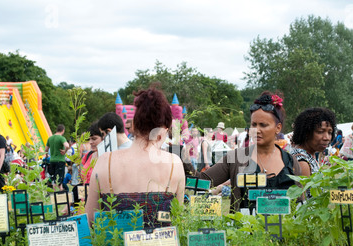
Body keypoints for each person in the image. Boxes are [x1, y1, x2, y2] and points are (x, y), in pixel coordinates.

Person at [183, 91, 302, 213]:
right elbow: (201, 181)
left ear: (278, 128)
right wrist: (184, 158)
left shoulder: (291, 163)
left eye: (263, 125)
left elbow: (299, 206)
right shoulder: (236, 158)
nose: (257, 130)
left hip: (283, 231)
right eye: (254, 124)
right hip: (244, 231)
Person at [85, 85, 185, 228]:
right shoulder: (175, 163)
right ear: (163, 130)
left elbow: (90, 220)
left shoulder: (105, 161)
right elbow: (177, 219)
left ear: (134, 125)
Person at [290, 108, 336, 177]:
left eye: (330, 132)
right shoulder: (302, 162)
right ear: (306, 133)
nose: (326, 138)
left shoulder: (308, 155)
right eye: (320, 132)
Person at [45, 124, 70, 190]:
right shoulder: (61, 138)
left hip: (52, 160)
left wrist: (47, 156)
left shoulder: (50, 138)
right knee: (58, 180)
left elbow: (46, 150)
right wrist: (65, 151)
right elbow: (67, 146)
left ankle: (58, 194)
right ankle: (57, 195)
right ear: (63, 130)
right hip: (60, 161)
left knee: (55, 179)